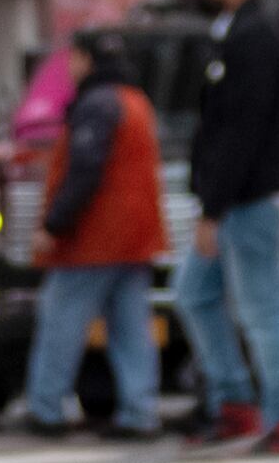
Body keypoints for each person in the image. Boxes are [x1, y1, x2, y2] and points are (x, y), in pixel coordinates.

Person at [170, 0, 279, 459]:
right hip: (242, 195)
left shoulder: (254, 34)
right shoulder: (237, 28)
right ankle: (234, 401)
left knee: (262, 308)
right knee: (195, 293)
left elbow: (240, 129)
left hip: (255, 195)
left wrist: (212, 208)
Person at [19, 29, 168, 436]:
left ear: (86, 59)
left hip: (93, 239)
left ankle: (47, 408)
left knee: (61, 322)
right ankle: (140, 411)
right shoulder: (135, 101)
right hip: (136, 238)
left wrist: (54, 225)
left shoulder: (97, 104)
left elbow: (84, 171)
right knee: (131, 329)